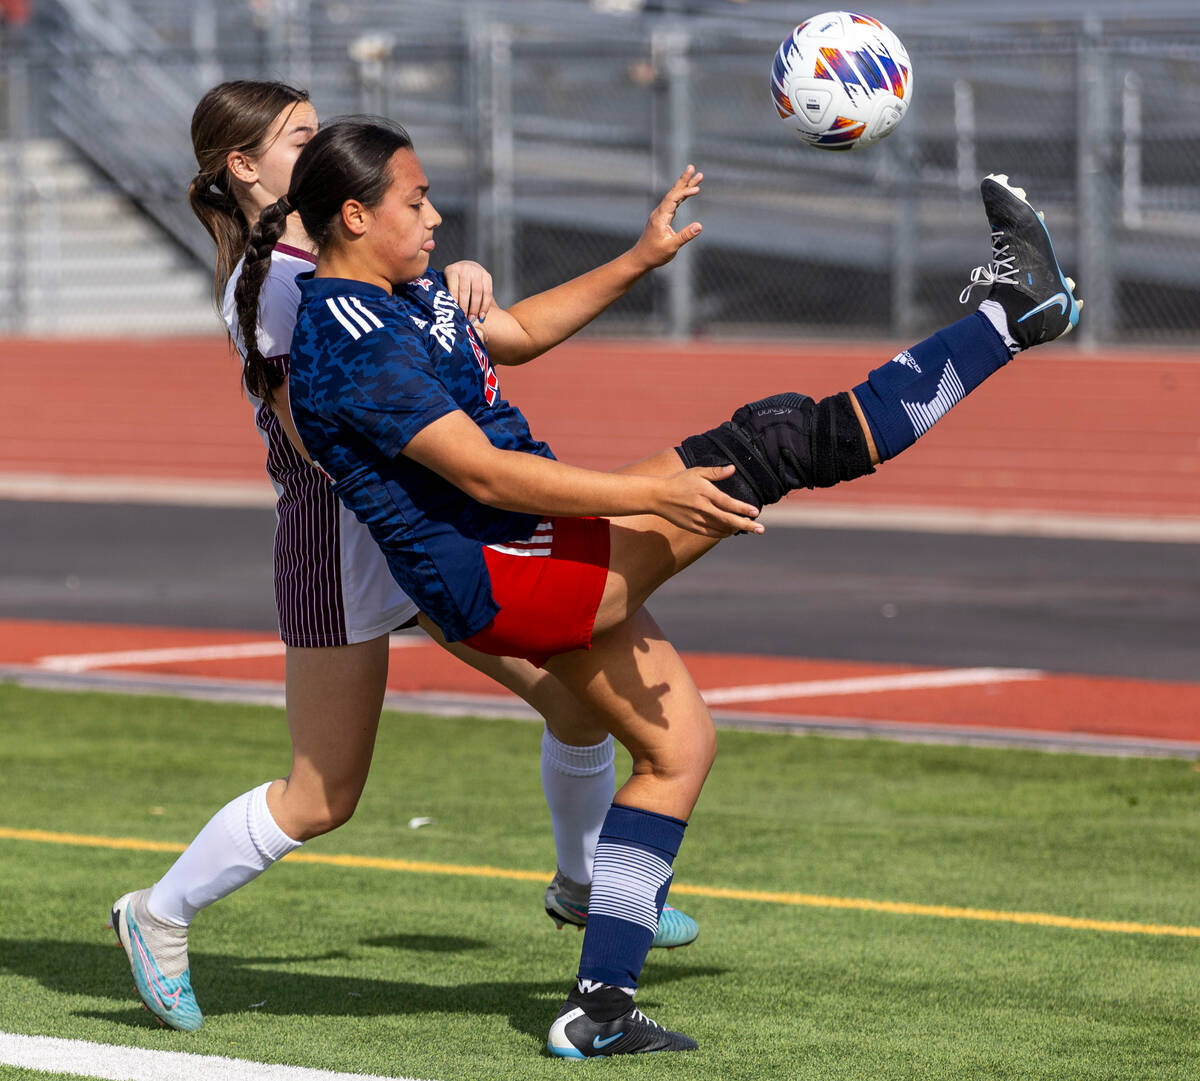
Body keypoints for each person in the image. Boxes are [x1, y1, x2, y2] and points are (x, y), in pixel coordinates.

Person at [237, 116, 1080, 1058]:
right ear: (352, 215)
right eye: (416, 199)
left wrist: (639, 257)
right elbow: (482, 474)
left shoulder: (396, 288)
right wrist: (652, 492)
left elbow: (513, 333)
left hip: (525, 547)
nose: (435, 214)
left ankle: (597, 1009)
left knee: (679, 747)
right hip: (508, 565)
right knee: (780, 440)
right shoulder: (342, 337)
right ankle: (1015, 317)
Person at [108, 82, 699, 1035]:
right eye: (300, 138)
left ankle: (588, 885)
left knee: (577, 704)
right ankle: (158, 913)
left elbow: (462, 336)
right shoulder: (277, 286)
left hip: (413, 525)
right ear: (246, 170)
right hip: (342, 539)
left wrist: (453, 283)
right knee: (323, 794)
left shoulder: (352, 256)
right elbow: (330, 433)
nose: (323, 144)